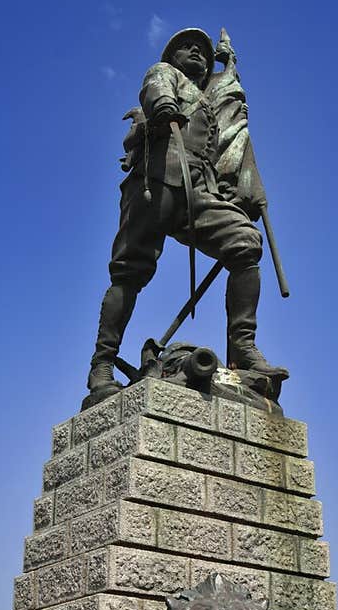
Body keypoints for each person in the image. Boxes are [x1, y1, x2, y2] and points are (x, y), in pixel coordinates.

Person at [86, 27, 288, 400]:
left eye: (202, 50)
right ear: (172, 56)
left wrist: (247, 189)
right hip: (158, 178)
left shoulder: (210, 102)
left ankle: (243, 350)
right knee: (130, 272)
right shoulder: (165, 74)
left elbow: (231, 145)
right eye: (186, 47)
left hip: (198, 192)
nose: (196, 52)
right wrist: (163, 105)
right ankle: (102, 364)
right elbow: (155, 87)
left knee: (244, 242)